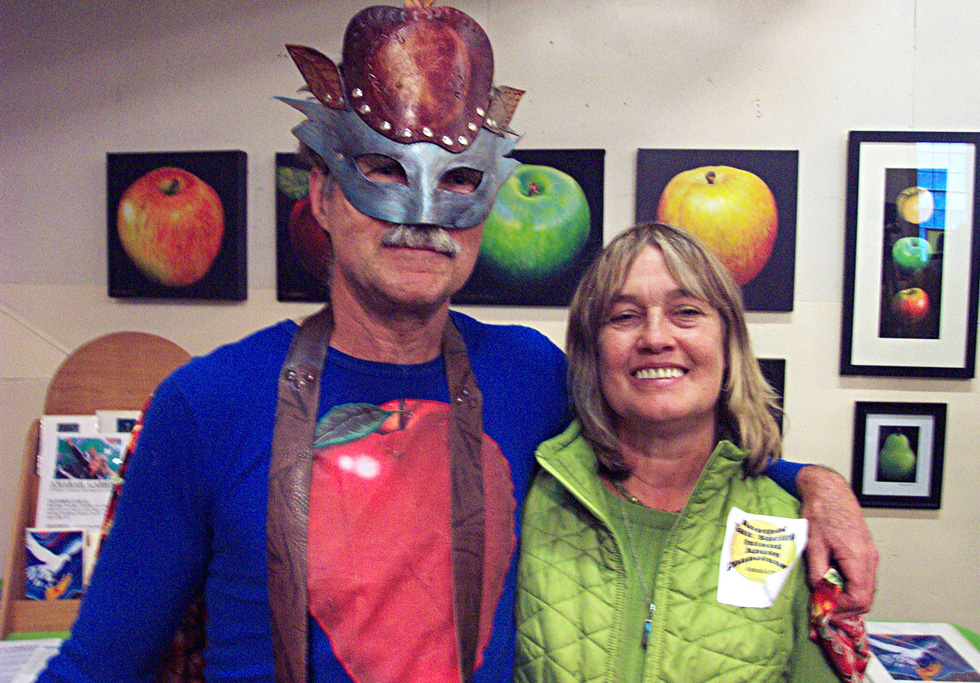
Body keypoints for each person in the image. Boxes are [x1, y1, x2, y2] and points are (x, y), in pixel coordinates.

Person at [36, 3, 875, 683]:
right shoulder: (207, 403)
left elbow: (672, 444)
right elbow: (100, 662)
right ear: (323, 194)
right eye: (386, 173)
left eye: (460, 180)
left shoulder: (531, 374)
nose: (425, 213)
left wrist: (812, 482)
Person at [515, 222, 849, 682]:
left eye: (686, 311)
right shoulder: (532, 496)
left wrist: (820, 482)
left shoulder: (793, 525)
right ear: (593, 351)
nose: (655, 338)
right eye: (624, 317)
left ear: (728, 344)